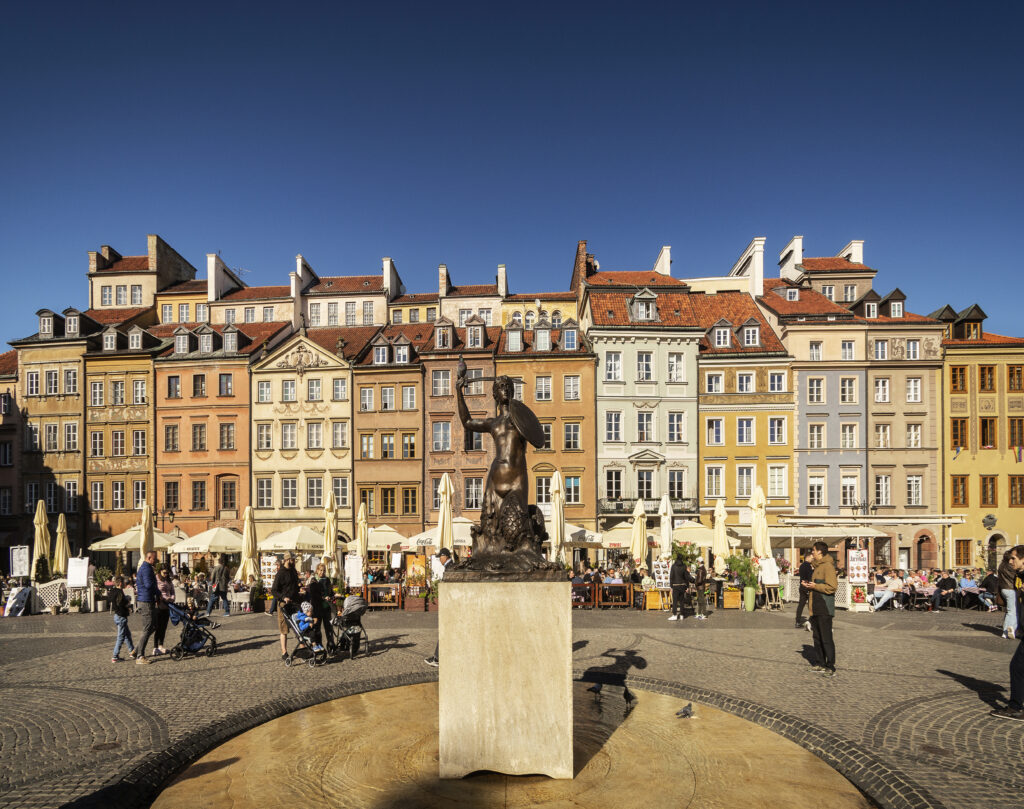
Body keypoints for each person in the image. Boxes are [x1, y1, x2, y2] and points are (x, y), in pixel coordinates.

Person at [990, 545, 1024, 722]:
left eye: (1014, 558)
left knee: (1017, 667)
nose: (1010, 561)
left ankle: (1016, 707)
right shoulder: (1019, 576)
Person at [802, 542, 838, 677]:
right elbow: (817, 585)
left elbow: (832, 587)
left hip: (824, 607)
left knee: (826, 638)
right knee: (817, 637)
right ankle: (820, 663)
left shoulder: (827, 567)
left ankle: (830, 666)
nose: (812, 553)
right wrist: (808, 585)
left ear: (820, 552)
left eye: (814, 550)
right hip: (815, 607)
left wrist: (815, 586)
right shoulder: (816, 567)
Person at [424, 548, 453, 667]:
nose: (439, 559)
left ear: (445, 556)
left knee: (445, 632)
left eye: (440, 557)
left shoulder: (450, 567)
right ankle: (438, 657)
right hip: (450, 604)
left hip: (450, 605)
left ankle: (437, 658)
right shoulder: (450, 566)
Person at [271, 552, 300, 660]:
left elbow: (295, 585)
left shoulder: (293, 571)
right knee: (284, 629)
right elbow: (274, 590)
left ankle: (302, 648)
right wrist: (283, 597)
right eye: (293, 560)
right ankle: (284, 652)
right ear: (287, 560)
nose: (294, 561)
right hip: (284, 604)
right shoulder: (280, 573)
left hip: (294, 602)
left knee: (298, 626)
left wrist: (299, 589)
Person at [134, 550, 160, 665]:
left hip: (148, 600)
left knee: (154, 625)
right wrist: (158, 591)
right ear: (149, 558)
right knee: (148, 628)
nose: (156, 561)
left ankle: (136, 650)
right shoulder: (146, 569)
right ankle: (140, 656)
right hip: (145, 601)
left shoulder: (147, 568)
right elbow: (149, 585)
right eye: (155, 559)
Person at [109, 576, 136, 663]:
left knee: (127, 634)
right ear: (120, 583)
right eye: (124, 583)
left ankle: (132, 651)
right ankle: (115, 656)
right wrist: (127, 601)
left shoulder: (112, 591)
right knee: (121, 637)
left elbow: (113, 602)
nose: (125, 584)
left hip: (117, 615)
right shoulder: (120, 592)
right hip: (121, 616)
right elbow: (121, 604)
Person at [153, 566, 175, 655]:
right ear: (160, 572)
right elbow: (158, 592)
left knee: (164, 627)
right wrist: (166, 598)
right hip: (159, 605)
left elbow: (172, 590)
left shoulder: (169, 580)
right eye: (164, 573)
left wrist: (172, 598)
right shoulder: (157, 579)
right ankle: (155, 647)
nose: (166, 575)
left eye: (167, 573)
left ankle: (161, 645)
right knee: (158, 627)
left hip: (167, 605)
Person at [998, 550, 1019, 640]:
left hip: (1003, 588)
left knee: (1009, 611)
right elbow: (1015, 576)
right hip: (1011, 589)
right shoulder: (1010, 566)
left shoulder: (1001, 565)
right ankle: (1009, 629)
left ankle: (1006, 631)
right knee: (1013, 611)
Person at [206, 554, 231, 618]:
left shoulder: (216, 568)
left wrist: (212, 584)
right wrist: (225, 582)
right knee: (224, 598)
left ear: (219, 562)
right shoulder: (226, 568)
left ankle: (208, 612)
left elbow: (213, 577)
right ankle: (227, 612)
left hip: (216, 586)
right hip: (223, 586)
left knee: (212, 599)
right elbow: (228, 578)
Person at [668, 557, 692, 621]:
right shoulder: (684, 566)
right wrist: (687, 586)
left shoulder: (673, 566)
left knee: (675, 601)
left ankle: (675, 615)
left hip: (675, 585)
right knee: (682, 601)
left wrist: (671, 586)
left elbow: (671, 576)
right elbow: (686, 577)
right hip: (682, 585)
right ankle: (681, 614)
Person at [795, 551, 814, 629]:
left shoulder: (801, 565)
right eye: (812, 558)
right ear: (808, 557)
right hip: (807, 586)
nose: (812, 559)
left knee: (801, 604)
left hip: (802, 586)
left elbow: (802, 577)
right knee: (811, 605)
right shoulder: (808, 566)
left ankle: (797, 621)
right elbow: (810, 577)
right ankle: (812, 622)